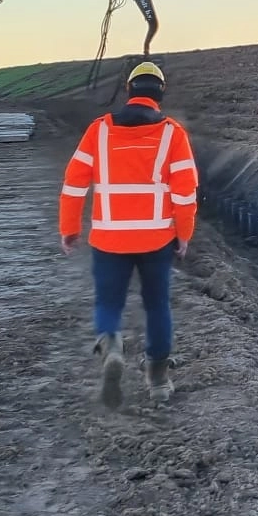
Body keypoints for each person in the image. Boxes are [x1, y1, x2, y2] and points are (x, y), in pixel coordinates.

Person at [58, 61, 199, 406]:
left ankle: (111, 345)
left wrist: (70, 228)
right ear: (160, 94)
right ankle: (159, 382)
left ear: (129, 91)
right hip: (156, 240)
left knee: (108, 302)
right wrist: (184, 235)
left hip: (109, 239)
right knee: (157, 306)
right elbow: (185, 193)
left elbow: (75, 184)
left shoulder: (99, 131)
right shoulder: (173, 134)